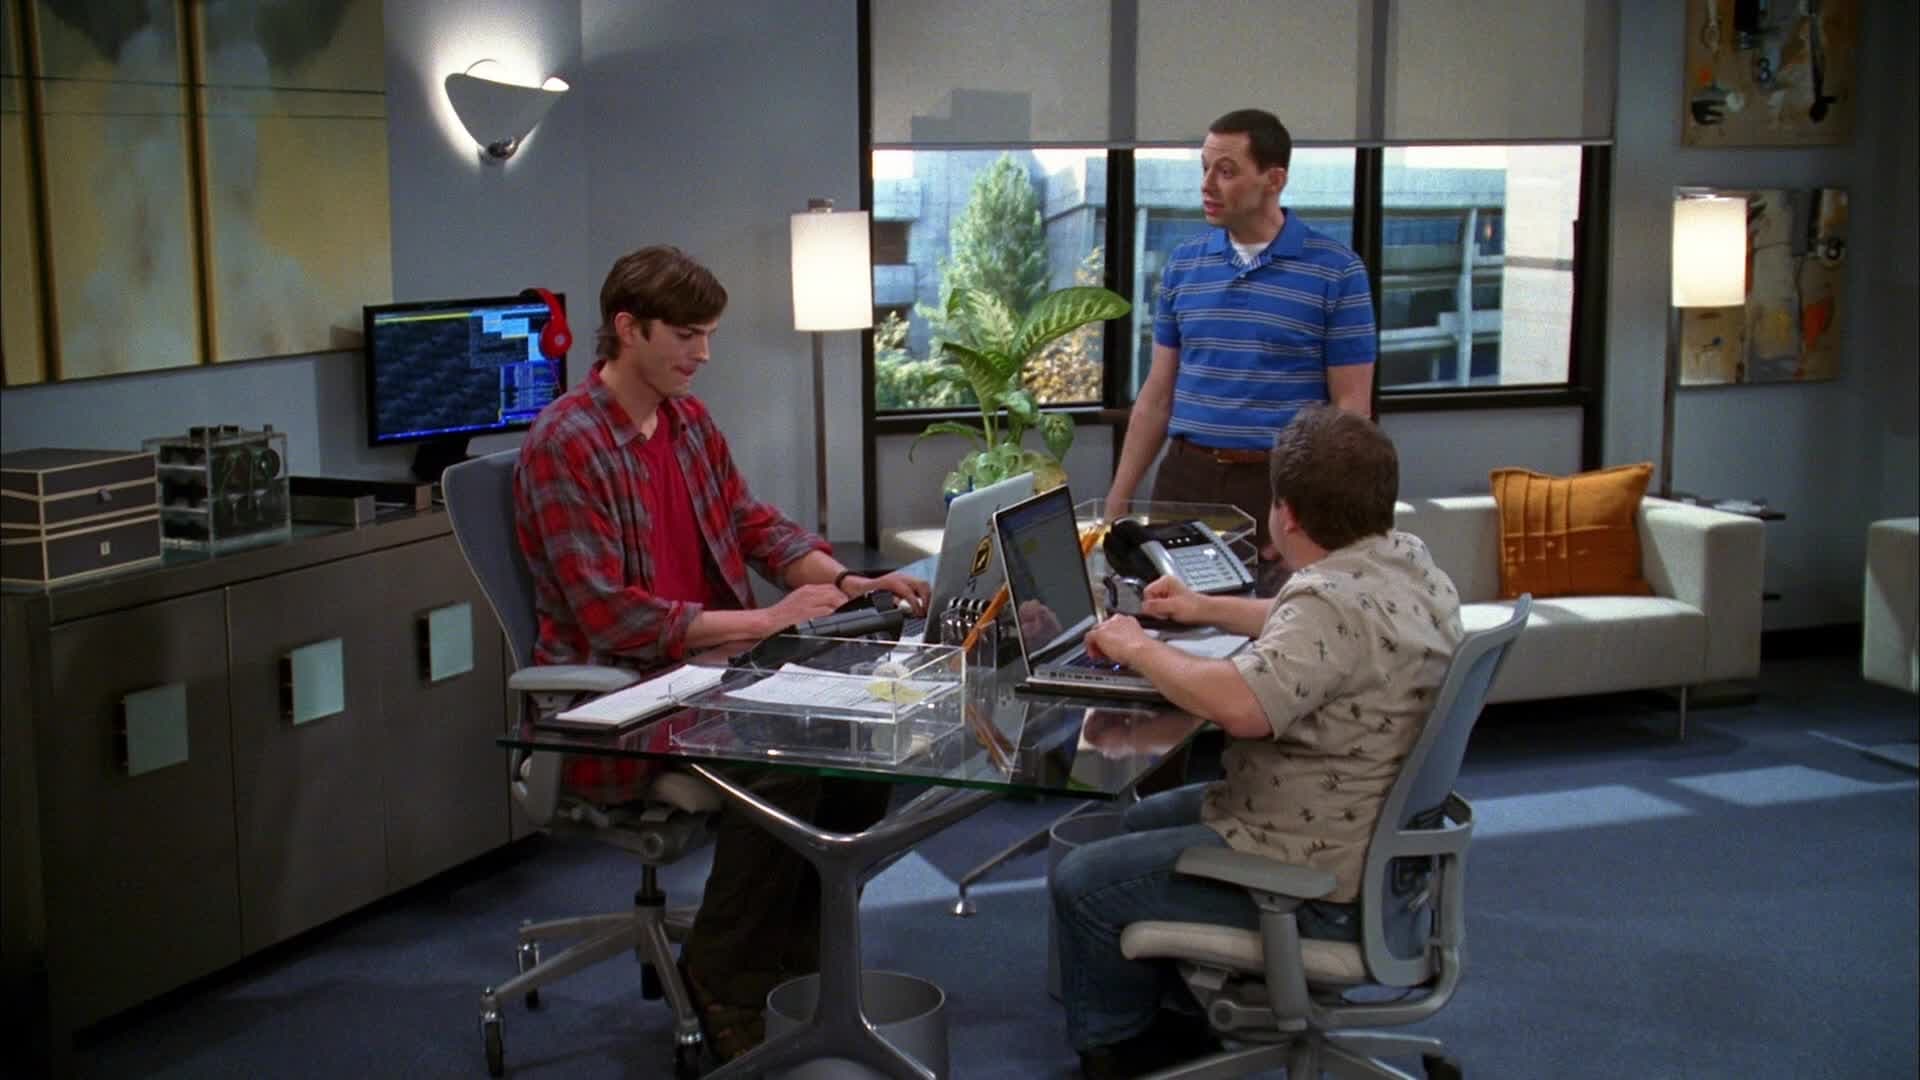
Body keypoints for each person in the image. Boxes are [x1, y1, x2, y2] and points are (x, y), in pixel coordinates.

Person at [514, 245, 931, 1062]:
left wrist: (848, 581)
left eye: (708, 335)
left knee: (859, 746)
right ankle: (725, 974)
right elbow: (609, 616)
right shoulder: (567, 443)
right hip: (623, 696)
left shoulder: (686, 421)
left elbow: (752, 525)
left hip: (712, 675)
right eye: (686, 335)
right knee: (786, 760)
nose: (703, 353)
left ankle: (791, 962)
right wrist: (767, 620)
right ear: (628, 329)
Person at [1056, 406, 1462, 1080]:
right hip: (1377, 853)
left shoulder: (1327, 601)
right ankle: (1180, 1013)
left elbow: (1241, 707)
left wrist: (1136, 646)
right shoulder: (1406, 562)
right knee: (1138, 821)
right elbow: (1313, 624)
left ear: (1286, 514)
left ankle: (1122, 1052)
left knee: (1082, 882)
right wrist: (1203, 608)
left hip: (1316, 883)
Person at [1104, 108, 1377, 569]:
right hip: (1185, 477)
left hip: (1279, 487)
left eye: (1226, 171)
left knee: (1274, 612)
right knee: (1167, 608)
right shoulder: (1184, 265)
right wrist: (1118, 498)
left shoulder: (1336, 271)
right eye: (1205, 168)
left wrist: (1313, 511)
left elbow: (1351, 409)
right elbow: (1158, 395)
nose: (1207, 184)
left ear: (1274, 179)